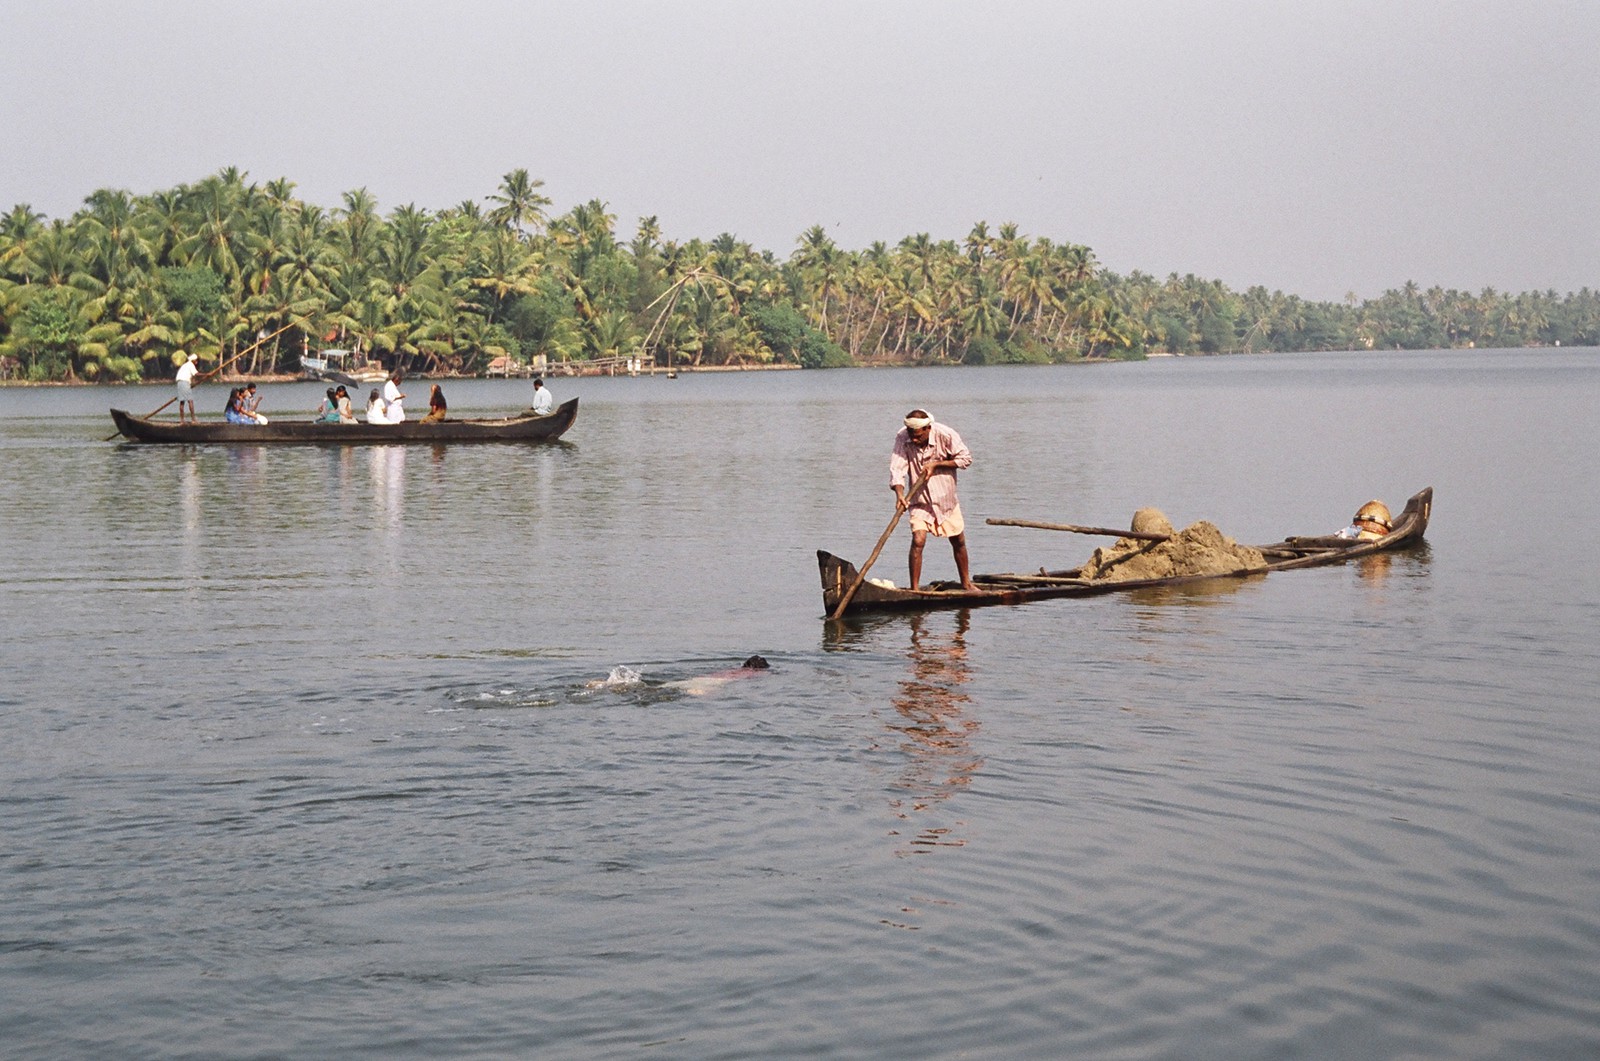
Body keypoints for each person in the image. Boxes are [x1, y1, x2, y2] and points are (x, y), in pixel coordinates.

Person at [890, 408, 976, 591]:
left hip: (946, 499)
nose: (913, 439)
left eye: (917, 436)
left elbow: (965, 459)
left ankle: (966, 583)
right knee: (918, 540)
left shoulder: (945, 435)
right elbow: (897, 468)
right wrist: (899, 494)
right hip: (920, 500)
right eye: (911, 435)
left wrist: (936, 464)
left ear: (928, 428)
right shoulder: (902, 436)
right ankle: (914, 590)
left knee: (958, 540)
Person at [175, 352, 198, 424]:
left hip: (180, 383)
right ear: (193, 360)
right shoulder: (190, 364)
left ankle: (182, 420)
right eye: (196, 360)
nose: (196, 362)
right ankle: (193, 420)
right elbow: (196, 374)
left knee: (182, 402)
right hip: (184, 383)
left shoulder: (185, 365)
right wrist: (208, 374)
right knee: (190, 401)